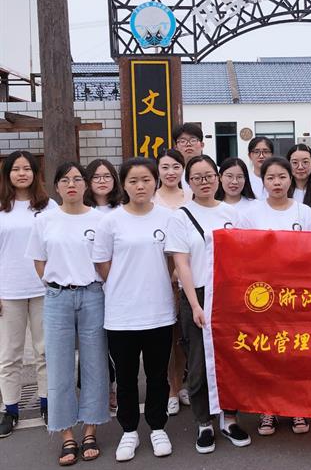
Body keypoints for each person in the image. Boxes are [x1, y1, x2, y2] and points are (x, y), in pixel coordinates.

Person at [165, 155, 251, 454]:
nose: (204, 182)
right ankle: (204, 423)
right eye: (197, 178)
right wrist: (194, 305)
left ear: (217, 177)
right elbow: (182, 265)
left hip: (229, 296)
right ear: (189, 182)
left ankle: (230, 418)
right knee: (199, 363)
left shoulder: (232, 213)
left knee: (231, 361)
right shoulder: (180, 217)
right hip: (198, 296)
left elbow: (246, 256)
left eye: (209, 176)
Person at [25, 162, 109, 465]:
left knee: (95, 364)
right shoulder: (44, 220)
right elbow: (39, 261)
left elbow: (105, 262)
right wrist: (56, 284)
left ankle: (91, 429)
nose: (71, 184)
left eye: (76, 179)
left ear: (85, 184)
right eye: (64, 180)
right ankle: (66, 434)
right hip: (57, 297)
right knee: (58, 365)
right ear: (56, 186)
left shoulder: (100, 220)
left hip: (93, 295)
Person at [93, 158, 175, 462]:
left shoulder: (168, 218)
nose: (140, 186)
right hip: (122, 314)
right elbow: (102, 264)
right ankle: (129, 430)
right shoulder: (111, 221)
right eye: (133, 181)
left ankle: (157, 427)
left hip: (159, 311)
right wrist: (124, 285)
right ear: (123, 185)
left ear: (155, 182)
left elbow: (173, 261)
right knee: (126, 377)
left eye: (146, 180)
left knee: (157, 375)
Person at [239, 157, 311, 436]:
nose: (277, 183)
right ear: (263, 181)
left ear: (291, 179)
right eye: (271, 178)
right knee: (268, 352)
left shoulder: (305, 212)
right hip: (264, 294)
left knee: (296, 352)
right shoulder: (251, 214)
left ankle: (297, 407)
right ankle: (267, 409)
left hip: (297, 293)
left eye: (282, 177)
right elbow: (244, 253)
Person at [0, 151, 56, 438]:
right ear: (7, 174)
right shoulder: (1, 207)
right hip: (8, 290)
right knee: (9, 354)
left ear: (35, 173)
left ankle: (47, 404)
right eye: (16, 169)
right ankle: (10, 409)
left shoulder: (48, 207)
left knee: (44, 351)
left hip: (43, 289)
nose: (22, 173)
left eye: (27, 169)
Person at [152, 149, 192, 416]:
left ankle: (184, 383)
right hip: (159, 273)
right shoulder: (151, 198)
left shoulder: (191, 197)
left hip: (188, 272)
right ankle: (171, 389)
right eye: (165, 167)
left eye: (176, 167)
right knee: (166, 336)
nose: (170, 172)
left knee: (184, 335)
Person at [84, 158, 122, 411]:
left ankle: (117, 387)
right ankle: (103, 389)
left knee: (117, 343)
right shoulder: (81, 210)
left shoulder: (122, 209)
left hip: (119, 285)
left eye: (107, 176)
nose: (102, 181)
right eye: (96, 177)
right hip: (90, 286)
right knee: (95, 343)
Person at [173, 123, 204, 192]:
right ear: (176, 148)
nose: (188, 144)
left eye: (193, 140)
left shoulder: (215, 171)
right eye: (183, 141)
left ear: (202, 145)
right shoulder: (171, 174)